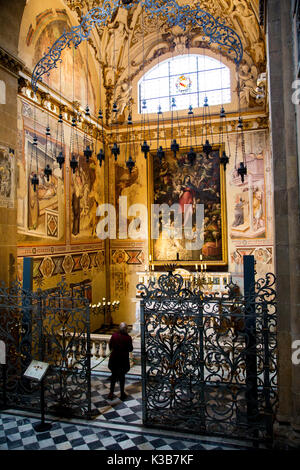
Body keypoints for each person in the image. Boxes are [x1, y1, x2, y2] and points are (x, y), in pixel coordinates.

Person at [107, 322, 133, 401]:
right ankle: (122, 394)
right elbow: (130, 349)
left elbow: (110, 345)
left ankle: (111, 393)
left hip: (114, 358)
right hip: (123, 360)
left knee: (113, 376)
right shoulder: (128, 338)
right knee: (122, 377)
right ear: (126, 329)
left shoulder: (114, 335)